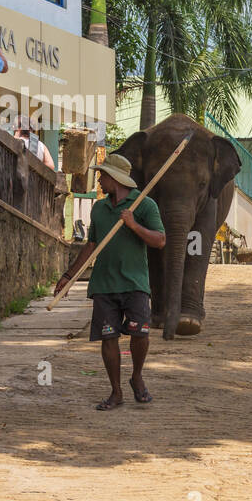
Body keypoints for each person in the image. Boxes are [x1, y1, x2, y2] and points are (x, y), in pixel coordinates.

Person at [52, 154, 165, 411]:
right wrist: (69, 276)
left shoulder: (144, 206)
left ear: (115, 179)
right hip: (104, 285)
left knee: (140, 334)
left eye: (103, 175)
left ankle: (136, 376)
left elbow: (160, 240)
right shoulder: (100, 209)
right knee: (108, 338)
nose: (100, 179)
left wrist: (133, 225)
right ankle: (116, 392)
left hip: (135, 283)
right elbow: (91, 246)